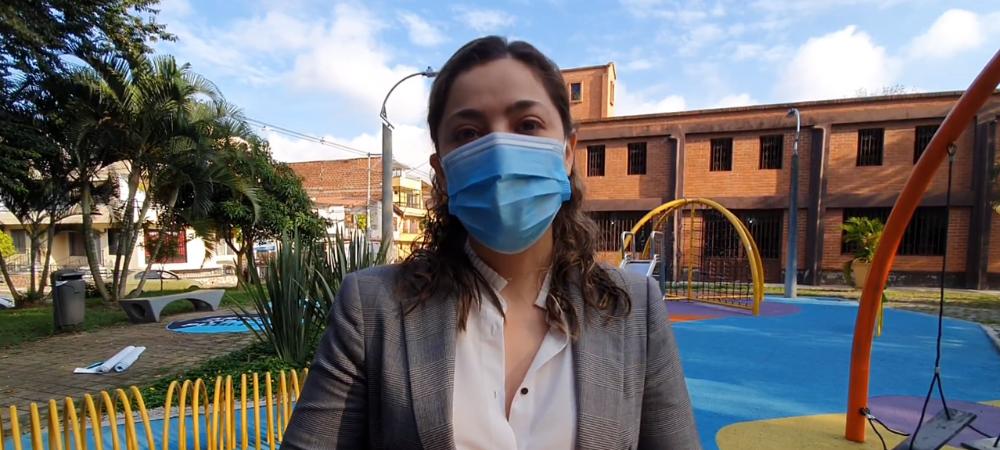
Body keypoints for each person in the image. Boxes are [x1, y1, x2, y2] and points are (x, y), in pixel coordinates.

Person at [281, 36, 700, 450]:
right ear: (442, 171)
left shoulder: (634, 308)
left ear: (568, 152)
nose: (499, 150)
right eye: (468, 132)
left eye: (528, 125)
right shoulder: (374, 308)